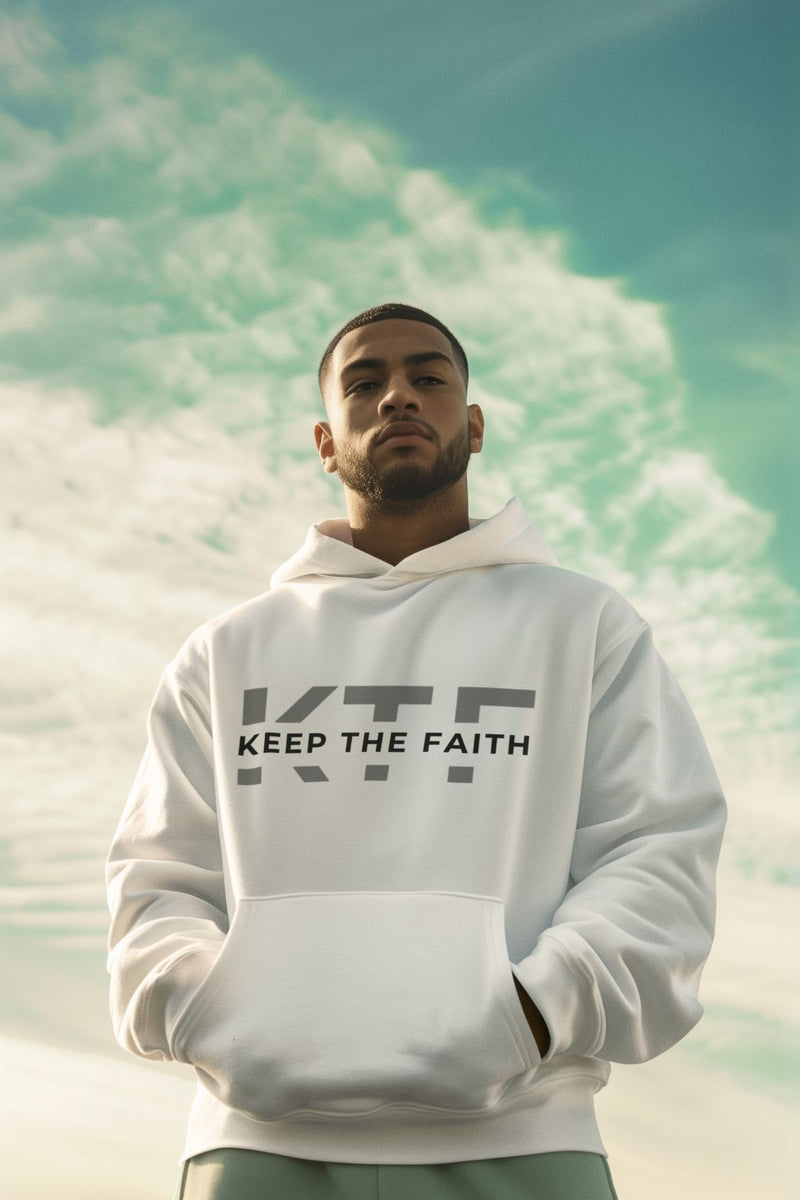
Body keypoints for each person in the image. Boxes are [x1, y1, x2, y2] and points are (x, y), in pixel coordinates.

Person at [106, 302, 726, 1200]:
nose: (398, 395)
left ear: (471, 425)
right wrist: (215, 1012)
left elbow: (659, 851)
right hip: (258, 1150)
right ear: (327, 440)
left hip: (524, 1138)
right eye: (365, 382)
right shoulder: (228, 651)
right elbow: (156, 884)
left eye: (428, 377)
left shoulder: (583, 624)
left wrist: (531, 1014)